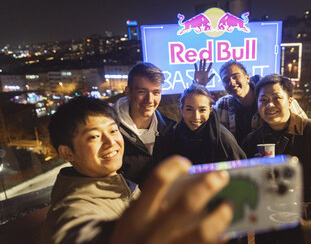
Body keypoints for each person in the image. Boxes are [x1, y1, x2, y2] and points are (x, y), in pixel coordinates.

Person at [45, 96, 234, 244]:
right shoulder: (72, 207)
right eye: (94, 137)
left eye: (113, 130)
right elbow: (77, 233)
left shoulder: (124, 184)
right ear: (67, 153)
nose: (111, 142)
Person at [241, 74, 311, 243]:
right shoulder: (253, 141)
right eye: (263, 100)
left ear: (290, 101)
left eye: (276, 98)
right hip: (270, 233)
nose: (269, 105)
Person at [194, 59, 308, 144]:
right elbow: (198, 123)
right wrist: (198, 85)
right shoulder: (222, 105)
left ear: (247, 78)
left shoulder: (276, 100)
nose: (232, 83)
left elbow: (305, 128)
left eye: (235, 77)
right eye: (226, 80)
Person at [114, 62, 176, 186]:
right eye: (142, 92)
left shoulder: (169, 130)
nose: (149, 99)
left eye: (156, 92)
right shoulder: (110, 131)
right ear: (128, 92)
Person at [168, 83, 246, 165]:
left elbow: (239, 171)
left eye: (202, 110)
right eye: (189, 109)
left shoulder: (222, 139)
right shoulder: (175, 136)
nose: (196, 116)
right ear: (181, 110)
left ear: (210, 110)